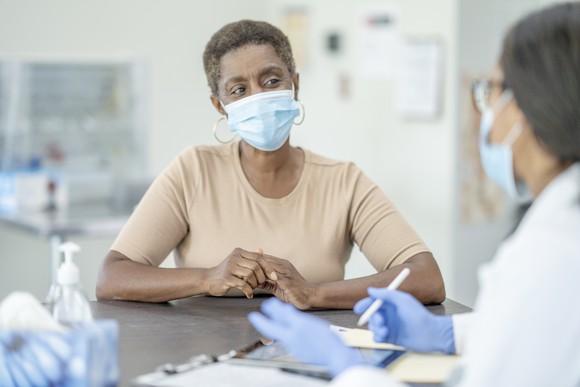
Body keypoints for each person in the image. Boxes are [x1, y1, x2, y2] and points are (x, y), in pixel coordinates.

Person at [249, 2, 580, 385]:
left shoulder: (555, 251)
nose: (486, 109)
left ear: (533, 105)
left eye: (491, 88)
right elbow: (534, 327)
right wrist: (446, 333)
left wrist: (349, 370)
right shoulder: (559, 227)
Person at [95, 20, 446, 309]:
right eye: (238, 89)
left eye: (272, 80)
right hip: (205, 356)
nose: (258, 97)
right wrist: (208, 277)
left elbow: (426, 277)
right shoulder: (193, 170)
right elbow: (113, 277)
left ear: (295, 85)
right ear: (220, 107)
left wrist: (315, 293)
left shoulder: (344, 182)